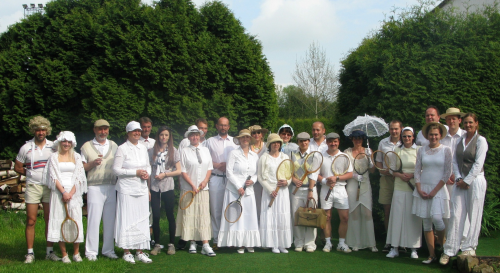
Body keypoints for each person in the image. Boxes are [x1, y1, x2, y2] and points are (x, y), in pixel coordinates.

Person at [440, 113, 488, 265]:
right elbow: (455, 160)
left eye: (470, 123)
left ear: (476, 123)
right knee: (456, 214)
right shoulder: (461, 140)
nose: (468, 125)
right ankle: (449, 250)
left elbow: (478, 164)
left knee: (474, 214)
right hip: (461, 182)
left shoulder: (481, 141)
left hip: (476, 181)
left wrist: (467, 180)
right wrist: (459, 178)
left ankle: (469, 247)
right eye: (466, 123)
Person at [14, 115, 60, 263]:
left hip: (49, 187)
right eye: (38, 130)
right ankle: (30, 253)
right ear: (33, 131)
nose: (41, 132)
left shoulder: (53, 146)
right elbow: (18, 167)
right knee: (31, 220)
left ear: (47, 131)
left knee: (49, 219)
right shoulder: (26, 148)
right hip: (33, 186)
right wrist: (31, 174)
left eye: (43, 130)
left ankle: (49, 252)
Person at [42, 131, 87, 263]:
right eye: (64, 141)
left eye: (69, 142)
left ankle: (76, 253)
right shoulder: (54, 157)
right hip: (58, 193)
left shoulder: (77, 157)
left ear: (72, 143)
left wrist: (71, 193)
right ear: (59, 142)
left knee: (76, 221)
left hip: (74, 193)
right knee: (60, 220)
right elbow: (53, 176)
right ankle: (64, 254)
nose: (66, 144)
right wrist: (63, 192)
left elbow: (80, 177)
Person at [113, 121, 152, 264]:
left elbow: (148, 166)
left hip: (141, 189)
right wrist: (134, 172)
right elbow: (116, 170)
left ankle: (140, 251)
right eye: (134, 131)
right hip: (127, 189)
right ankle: (127, 251)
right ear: (128, 133)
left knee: (141, 220)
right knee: (127, 219)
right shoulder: (122, 149)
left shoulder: (143, 148)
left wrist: (147, 174)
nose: (137, 133)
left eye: (139, 131)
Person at [412, 122, 452, 264]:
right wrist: (419, 188)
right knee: (427, 222)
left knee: (437, 219)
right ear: (427, 135)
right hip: (423, 188)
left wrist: (435, 191)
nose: (433, 137)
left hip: (438, 189)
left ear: (440, 135)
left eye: (436, 134)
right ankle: (432, 255)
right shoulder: (421, 150)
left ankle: (444, 248)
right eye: (431, 134)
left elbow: (447, 173)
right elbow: (417, 170)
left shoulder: (446, 150)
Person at [81, 119, 119, 261]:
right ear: (95, 130)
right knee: (93, 220)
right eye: (100, 129)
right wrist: (92, 164)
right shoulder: (86, 146)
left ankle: (108, 250)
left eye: (105, 129)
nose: (103, 132)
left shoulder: (114, 145)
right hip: (94, 186)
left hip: (111, 185)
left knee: (110, 220)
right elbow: (82, 167)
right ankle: (91, 252)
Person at [175, 125, 216, 256]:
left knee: (203, 216)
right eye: (192, 135)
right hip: (189, 188)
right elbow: (183, 170)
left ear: (200, 136)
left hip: (203, 189)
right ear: (188, 137)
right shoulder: (184, 151)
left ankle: (205, 244)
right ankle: (192, 242)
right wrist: (192, 185)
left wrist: (204, 182)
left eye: (197, 135)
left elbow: (209, 168)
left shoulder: (205, 150)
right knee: (190, 215)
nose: (195, 137)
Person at [218, 129, 261, 253]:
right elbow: (229, 172)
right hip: (234, 191)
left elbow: (257, 173)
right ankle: (239, 244)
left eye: (247, 137)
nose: (245, 140)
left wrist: (252, 180)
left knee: (249, 217)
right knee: (237, 218)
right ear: (239, 140)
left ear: (250, 140)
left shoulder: (255, 155)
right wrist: (238, 186)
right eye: (243, 138)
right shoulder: (233, 153)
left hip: (249, 192)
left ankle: (249, 243)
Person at [385, 127, 422, 259]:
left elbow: (422, 169)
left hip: (414, 188)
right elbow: (391, 170)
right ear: (402, 137)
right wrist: (400, 175)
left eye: (409, 136)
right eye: (404, 136)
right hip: (399, 187)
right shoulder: (397, 150)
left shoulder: (419, 150)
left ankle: (413, 249)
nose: (407, 138)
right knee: (397, 217)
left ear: (413, 137)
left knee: (413, 218)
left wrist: (411, 175)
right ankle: (394, 248)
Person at [317, 133, 353, 253]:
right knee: (327, 217)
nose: (333, 144)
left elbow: (350, 174)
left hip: (340, 189)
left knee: (345, 218)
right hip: (326, 189)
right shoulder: (320, 156)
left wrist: (336, 178)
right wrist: (324, 181)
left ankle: (341, 244)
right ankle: (328, 243)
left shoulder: (344, 156)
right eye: (331, 141)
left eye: (335, 141)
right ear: (327, 142)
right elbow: (315, 173)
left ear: (339, 142)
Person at [205, 117, 238, 249]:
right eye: (221, 125)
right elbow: (204, 158)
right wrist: (217, 164)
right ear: (216, 126)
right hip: (216, 177)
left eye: (225, 125)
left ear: (229, 127)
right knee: (216, 209)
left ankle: (230, 239)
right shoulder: (210, 141)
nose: (223, 127)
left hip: (231, 179)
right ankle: (217, 239)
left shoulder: (234, 143)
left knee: (230, 209)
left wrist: (228, 166)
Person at [149, 126, 181, 256]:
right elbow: (148, 169)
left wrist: (165, 175)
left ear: (169, 137)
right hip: (154, 186)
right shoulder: (151, 151)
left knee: (169, 215)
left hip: (168, 185)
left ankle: (171, 244)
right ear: (158, 136)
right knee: (155, 215)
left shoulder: (174, 151)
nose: (164, 137)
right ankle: (157, 244)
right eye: (161, 135)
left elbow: (178, 170)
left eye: (166, 135)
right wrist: (148, 189)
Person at [258, 134, 292, 253]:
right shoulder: (264, 157)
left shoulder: (285, 157)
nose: (276, 144)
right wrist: (270, 190)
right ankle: (273, 244)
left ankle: (282, 244)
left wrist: (287, 182)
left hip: (282, 192)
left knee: (282, 217)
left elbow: (289, 175)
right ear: (269, 144)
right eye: (273, 142)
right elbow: (260, 177)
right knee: (270, 217)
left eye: (278, 142)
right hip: (270, 192)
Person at [344, 130, 378, 252]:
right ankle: (356, 243)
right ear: (352, 139)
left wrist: (371, 158)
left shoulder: (368, 151)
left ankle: (371, 243)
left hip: (365, 185)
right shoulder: (347, 152)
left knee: (367, 214)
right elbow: (344, 170)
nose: (357, 141)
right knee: (354, 214)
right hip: (352, 185)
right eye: (355, 138)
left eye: (359, 138)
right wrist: (353, 175)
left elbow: (373, 170)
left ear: (363, 139)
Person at [375, 120, 402, 252]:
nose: (394, 131)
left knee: (401, 211)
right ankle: (388, 241)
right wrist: (381, 171)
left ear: (401, 129)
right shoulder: (383, 142)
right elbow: (378, 161)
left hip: (401, 181)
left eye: (396, 129)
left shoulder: (406, 142)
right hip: (386, 179)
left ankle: (401, 242)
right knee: (387, 210)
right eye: (392, 129)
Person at [290, 132, 318, 252]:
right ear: (298, 142)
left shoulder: (314, 155)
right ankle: (299, 242)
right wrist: (294, 180)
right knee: (297, 216)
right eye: (301, 141)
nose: (304, 143)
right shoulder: (291, 154)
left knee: (311, 216)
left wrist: (310, 190)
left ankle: (310, 243)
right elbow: (288, 171)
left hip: (310, 189)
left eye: (306, 140)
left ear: (309, 141)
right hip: (295, 190)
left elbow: (314, 174)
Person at [248, 125, 269, 224]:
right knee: (252, 204)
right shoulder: (247, 146)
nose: (256, 135)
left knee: (262, 204)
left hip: (263, 180)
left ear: (262, 134)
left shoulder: (266, 146)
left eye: (258, 132)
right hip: (250, 180)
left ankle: (262, 226)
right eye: (254, 133)